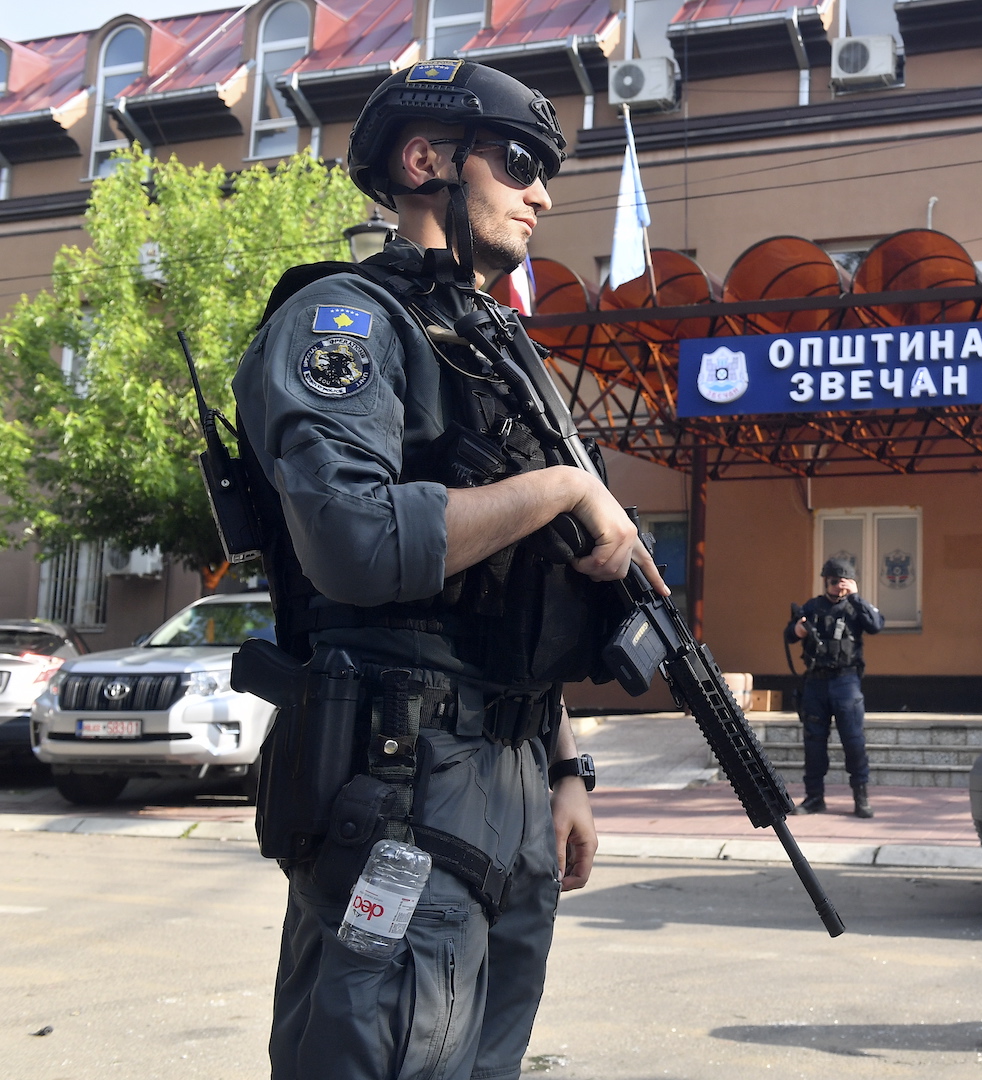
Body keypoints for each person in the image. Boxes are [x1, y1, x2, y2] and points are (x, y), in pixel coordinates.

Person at [232, 59, 667, 1080]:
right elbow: (357, 543)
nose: (542, 193)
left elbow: (521, 596)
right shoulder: (344, 322)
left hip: (509, 793)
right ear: (426, 162)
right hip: (400, 786)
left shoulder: (493, 349)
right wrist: (562, 488)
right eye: (518, 162)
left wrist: (564, 768)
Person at [784, 557, 885, 818]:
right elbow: (788, 635)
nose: (837, 586)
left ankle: (860, 796)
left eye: (842, 581)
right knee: (814, 743)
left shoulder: (855, 608)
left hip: (846, 682)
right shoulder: (812, 606)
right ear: (825, 581)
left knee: (853, 741)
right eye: (832, 581)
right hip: (815, 683)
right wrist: (797, 629)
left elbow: (876, 625)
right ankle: (815, 797)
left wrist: (856, 597)